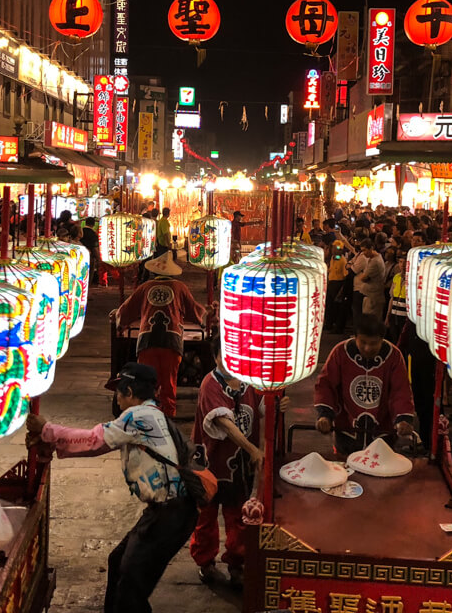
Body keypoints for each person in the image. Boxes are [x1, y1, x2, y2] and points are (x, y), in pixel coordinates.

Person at [26, 363, 198, 613]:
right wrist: (50, 443)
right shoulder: (154, 414)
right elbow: (100, 445)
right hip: (172, 512)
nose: (116, 398)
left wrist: (46, 430)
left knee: (130, 585)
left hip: (169, 514)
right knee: (118, 563)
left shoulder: (136, 416)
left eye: (118, 392)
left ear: (129, 392)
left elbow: (94, 439)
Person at [190, 365, 270, 587]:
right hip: (209, 462)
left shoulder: (250, 380)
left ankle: (237, 563)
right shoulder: (210, 384)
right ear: (215, 357)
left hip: (239, 465)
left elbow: (265, 404)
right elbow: (223, 423)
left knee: (238, 515)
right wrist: (252, 449)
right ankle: (205, 564)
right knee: (206, 516)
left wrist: (278, 399)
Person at [115, 254, 211, 417]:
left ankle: (146, 415)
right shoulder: (180, 287)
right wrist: (207, 314)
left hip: (147, 340)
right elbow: (195, 312)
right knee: (168, 383)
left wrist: (118, 320)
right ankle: (167, 417)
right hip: (172, 340)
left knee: (145, 383)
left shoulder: (145, 287)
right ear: (172, 273)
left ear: (153, 272)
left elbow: (125, 311)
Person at [314, 315, 415, 455]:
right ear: (355, 337)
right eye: (363, 342)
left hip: (382, 432)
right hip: (347, 430)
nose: (367, 348)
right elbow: (325, 385)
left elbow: (400, 390)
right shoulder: (340, 352)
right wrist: (325, 415)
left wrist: (403, 419)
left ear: (382, 339)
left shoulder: (393, 356)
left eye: (373, 343)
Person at [356, 240, 386, 316]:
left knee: (370, 321)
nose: (363, 253)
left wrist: (361, 275)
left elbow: (363, 278)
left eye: (364, 250)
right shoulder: (372, 259)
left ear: (371, 248)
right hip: (370, 295)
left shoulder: (375, 262)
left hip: (373, 297)